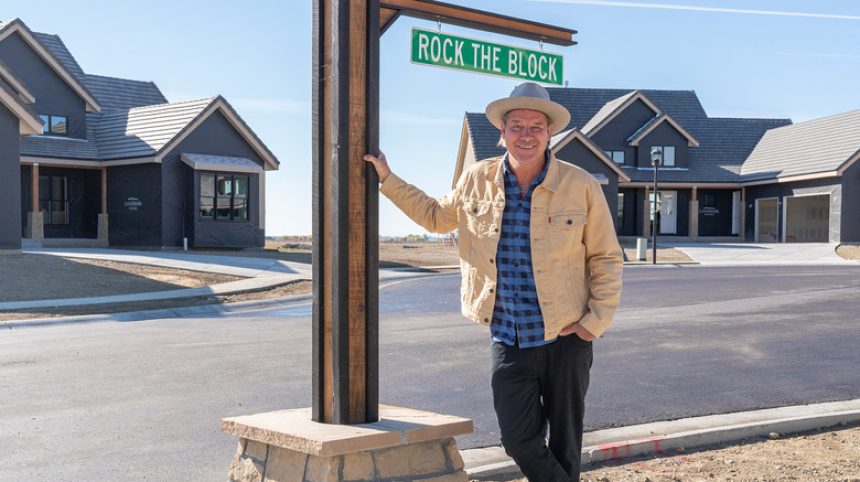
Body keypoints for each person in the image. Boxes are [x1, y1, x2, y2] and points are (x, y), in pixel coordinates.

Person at [364, 82, 623, 481]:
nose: (526, 134)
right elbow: (436, 216)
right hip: (508, 336)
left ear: (549, 132)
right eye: (516, 125)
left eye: (536, 126)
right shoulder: (476, 179)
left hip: (567, 335)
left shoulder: (581, 185)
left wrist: (593, 323)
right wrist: (387, 178)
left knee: (565, 443)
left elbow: (606, 257)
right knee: (519, 441)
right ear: (502, 134)